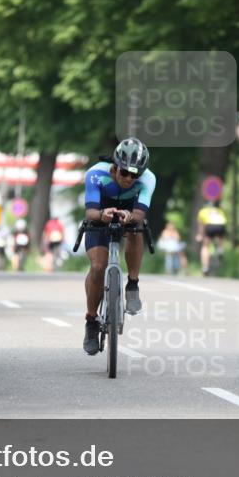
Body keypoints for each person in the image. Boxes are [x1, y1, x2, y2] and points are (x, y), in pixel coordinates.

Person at [82, 137, 155, 355]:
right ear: (115, 167)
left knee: (136, 230)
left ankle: (132, 284)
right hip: (101, 212)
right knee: (97, 267)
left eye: (135, 175)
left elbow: (140, 215)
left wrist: (130, 216)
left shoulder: (148, 180)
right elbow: (90, 212)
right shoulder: (96, 174)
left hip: (129, 211)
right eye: (125, 173)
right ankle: (91, 321)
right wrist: (103, 214)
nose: (129, 179)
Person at [195, 199, 227, 276]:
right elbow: (224, 222)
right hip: (221, 226)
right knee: (220, 237)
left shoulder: (202, 211)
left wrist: (200, 235)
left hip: (210, 226)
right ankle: (220, 249)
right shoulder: (219, 211)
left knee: (205, 246)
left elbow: (201, 225)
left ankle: (205, 267)